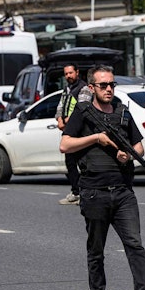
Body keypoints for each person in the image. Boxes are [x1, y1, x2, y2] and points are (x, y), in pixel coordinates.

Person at [60, 65, 145, 290]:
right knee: (96, 249)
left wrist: (126, 156)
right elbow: (65, 144)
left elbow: (139, 146)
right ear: (92, 88)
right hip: (93, 190)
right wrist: (96, 138)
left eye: (112, 84)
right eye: (103, 85)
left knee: (134, 243)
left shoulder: (122, 110)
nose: (109, 89)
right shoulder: (83, 112)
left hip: (122, 190)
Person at [56, 64, 92, 205]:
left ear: (77, 72)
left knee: (83, 163)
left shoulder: (83, 88)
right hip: (68, 131)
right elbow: (60, 106)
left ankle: (85, 193)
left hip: (80, 131)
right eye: (66, 74)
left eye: (71, 73)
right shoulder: (66, 89)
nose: (68, 76)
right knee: (70, 163)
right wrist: (60, 119)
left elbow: (82, 107)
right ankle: (76, 191)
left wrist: (67, 121)